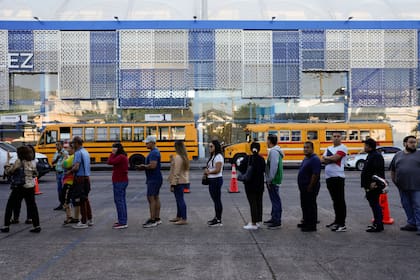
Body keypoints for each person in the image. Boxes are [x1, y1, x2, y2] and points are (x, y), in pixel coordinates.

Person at [1, 146, 41, 233]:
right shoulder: (32, 162)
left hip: (19, 187)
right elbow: (35, 174)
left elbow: (9, 171)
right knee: (32, 206)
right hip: (30, 186)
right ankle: (37, 226)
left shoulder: (19, 162)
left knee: (10, 205)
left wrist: (7, 161)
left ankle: (6, 226)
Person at [390, 135, 420, 235]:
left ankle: (419, 225)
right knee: (406, 205)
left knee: (418, 206)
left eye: (415, 142)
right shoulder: (398, 155)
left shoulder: (419, 154)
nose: (413, 144)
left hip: (417, 187)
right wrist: (395, 181)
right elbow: (393, 169)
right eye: (411, 142)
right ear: (405, 144)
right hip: (402, 186)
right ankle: (412, 224)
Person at [321, 131, 348, 232]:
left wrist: (328, 158)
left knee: (340, 201)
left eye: (338, 136)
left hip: (338, 177)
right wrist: (330, 159)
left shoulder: (343, 148)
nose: (336, 138)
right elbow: (322, 160)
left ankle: (342, 224)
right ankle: (337, 221)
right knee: (335, 201)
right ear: (331, 138)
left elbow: (335, 158)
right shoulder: (329, 148)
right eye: (334, 136)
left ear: (341, 138)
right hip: (329, 178)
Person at [237, 142, 265, 230]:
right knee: (259, 202)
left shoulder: (248, 158)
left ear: (251, 148)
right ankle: (257, 221)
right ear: (259, 149)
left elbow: (240, 168)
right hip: (260, 185)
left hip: (250, 185)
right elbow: (264, 170)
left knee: (252, 203)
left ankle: (253, 223)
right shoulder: (262, 159)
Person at [138, 135, 163, 228]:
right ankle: (157, 218)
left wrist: (143, 166)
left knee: (151, 198)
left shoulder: (153, 153)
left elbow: (153, 166)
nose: (146, 144)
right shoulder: (155, 151)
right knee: (156, 197)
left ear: (152, 143)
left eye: (147, 143)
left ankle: (152, 220)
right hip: (155, 178)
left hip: (153, 178)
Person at [361, 138, 385, 233]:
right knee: (373, 204)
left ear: (369, 147)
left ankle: (378, 225)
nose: (364, 147)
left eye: (365, 145)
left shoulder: (376, 156)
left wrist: (374, 183)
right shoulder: (371, 155)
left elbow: (378, 171)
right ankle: (377, 222)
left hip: (373, 185)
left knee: (375, 204)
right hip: (368, 185)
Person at [69, 136, 93, 229]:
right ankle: (90, 219)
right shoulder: (85, 151)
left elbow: (76, 167)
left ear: (77, 143)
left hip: (80, 178)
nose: (72, 145)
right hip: (87, 177)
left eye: (73, 143)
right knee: (86, 199)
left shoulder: (78, 153)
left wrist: (69, 171)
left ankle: (83, 221)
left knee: (81, 200)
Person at [297, 141, 321, 232]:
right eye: (304, 147)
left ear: (312, 149)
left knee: (310, 206)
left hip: (310, 187)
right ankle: (306, 221)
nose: (305, 149)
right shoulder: (306, 158)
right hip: (303, 187)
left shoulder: (315, 159)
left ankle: (311, 225)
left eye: (307, 147)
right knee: (304, 205)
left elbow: (315, 174)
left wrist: (310, 186)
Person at [107, 143, 129, 229]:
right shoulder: (123, 156)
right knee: (121, 201)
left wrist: (112, 153)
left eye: (114, 148)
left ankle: (122, 222)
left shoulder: (120, 157)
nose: (112, 149)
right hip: (122, 180)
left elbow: (109, 162)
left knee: (119, 201)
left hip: (119, 181)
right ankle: (122, 220)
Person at [168, 141, 190, 225]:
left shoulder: (178, 157)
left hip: (178, 182)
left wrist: (173, 184)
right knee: (179, 199)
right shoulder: (184, 157)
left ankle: (183, 218)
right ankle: (179, 216)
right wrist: (172, 160)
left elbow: (176, 172)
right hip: (183, 180)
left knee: (180, 200)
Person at [264, 134, 284, 229]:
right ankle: (274, 218)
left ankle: (277, 221)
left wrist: (269, 179)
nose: (266, 142)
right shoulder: (275, 151)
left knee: (275, 200)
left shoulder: (274, 152)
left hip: (274, 180)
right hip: (274, 179)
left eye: (267, 140)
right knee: (274, 200)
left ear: (270, 141)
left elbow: (273, 167)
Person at [204, 140, 224, 227]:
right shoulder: (213, 156)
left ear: (216, 147)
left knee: (217, 200)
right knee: (215, 200)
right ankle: (216, 217)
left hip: (216, 180)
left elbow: (217, 170)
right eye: (209, 146)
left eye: (211, 146)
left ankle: (218, 219)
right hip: (212, 180)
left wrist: (208, 172)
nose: (209, 148)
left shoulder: (218, 157)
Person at [62, 143, 80, 226]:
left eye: (68, 148)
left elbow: (63, 165)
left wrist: (64, 158)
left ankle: (69, 217)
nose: (67, 150)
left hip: (69, 182)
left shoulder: (72, 157)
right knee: (75, 200)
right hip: (73, 181)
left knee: (66, 200)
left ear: (73, 149)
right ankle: (76, 217)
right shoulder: (76, 156)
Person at [52, 141, 68, 210]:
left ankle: (66, 204)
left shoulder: (66, 152)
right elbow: (52, 162)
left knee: (64, 189)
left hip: (63, 172)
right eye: (56, 145)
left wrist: (63, 156)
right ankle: (61, 204)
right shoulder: (56, 153)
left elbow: (67, 162)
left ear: (62, 145)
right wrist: (57, 158)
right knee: (59, 190)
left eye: (58, 145)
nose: (56, 146)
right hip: (58, 173)